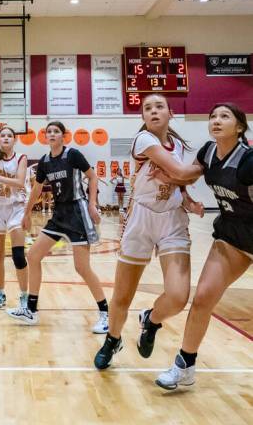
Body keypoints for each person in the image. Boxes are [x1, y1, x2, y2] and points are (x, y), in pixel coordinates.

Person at [94, 94, 203, 370]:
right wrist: (209, 161)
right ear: (143, 117)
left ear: (171, 113)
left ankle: (151, 320)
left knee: (178, 297)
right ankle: (112, 339)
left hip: (173, 219)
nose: (153, 111)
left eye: (159, 107)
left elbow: (179, 179)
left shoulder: (176, 144)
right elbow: (180, 171)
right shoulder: (144, 140)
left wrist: (187, 198)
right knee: (122, 295)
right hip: (141, 218)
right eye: (147, 108)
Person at [155, 102, 253, 390]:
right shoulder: (208, 153)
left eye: (225, 116)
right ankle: (185, 365)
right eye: (212, 116)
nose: (216, 120)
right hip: (232, 237)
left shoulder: (248, 162)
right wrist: (160, 170)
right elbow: (185, 174)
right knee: (202, 299)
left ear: (240, 127)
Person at [7, 121, 107, 332]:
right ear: (45, 137)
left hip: (77, 213)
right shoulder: (44, 162)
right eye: (48, 132)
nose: (51, 134)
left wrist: (92, 204)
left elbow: (92, 176)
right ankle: (31, 310)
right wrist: (26, 213)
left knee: (82, 268)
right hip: (59, 214)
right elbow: (36, 190)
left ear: (63, 136)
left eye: (56, 131)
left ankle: (105, 313)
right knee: (33, 255)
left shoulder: (73, 155)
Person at [0, 99, 29, 310]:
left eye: (10, 135)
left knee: (18, 255)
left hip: (16, 208)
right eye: (3, 135)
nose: (6, 138)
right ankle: (0, 294)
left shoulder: (21, 158)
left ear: (15, 140)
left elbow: (19, 182)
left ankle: (25, 296)